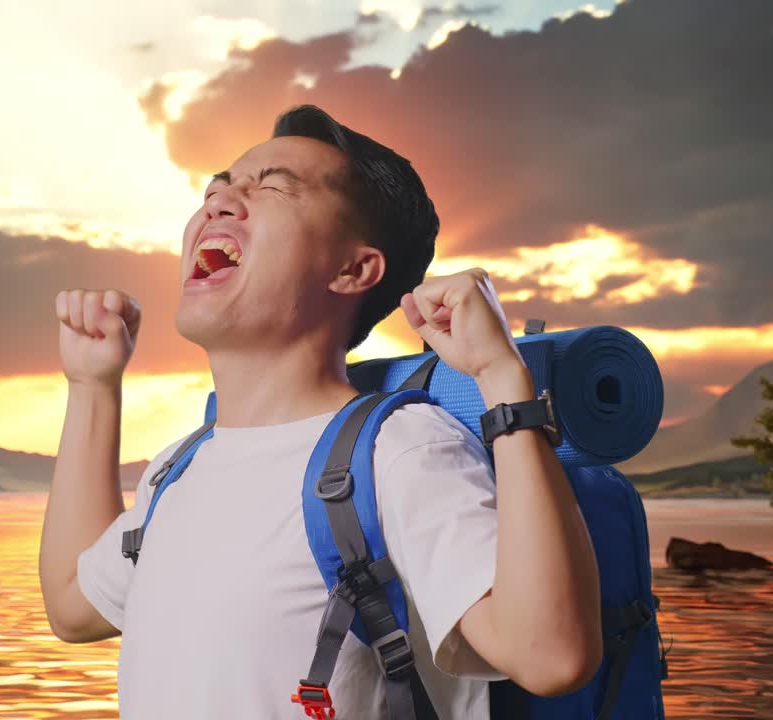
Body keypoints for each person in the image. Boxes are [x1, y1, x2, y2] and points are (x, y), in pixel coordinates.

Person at [38, 104, 602, 719]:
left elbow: (550, 657)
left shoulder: (400, 449)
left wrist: (500, 377)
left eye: (273, 186)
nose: (219, 203)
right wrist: (92, 385)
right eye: (216, 189)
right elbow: (72, 607)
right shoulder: (180, 467)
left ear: (354, 269)